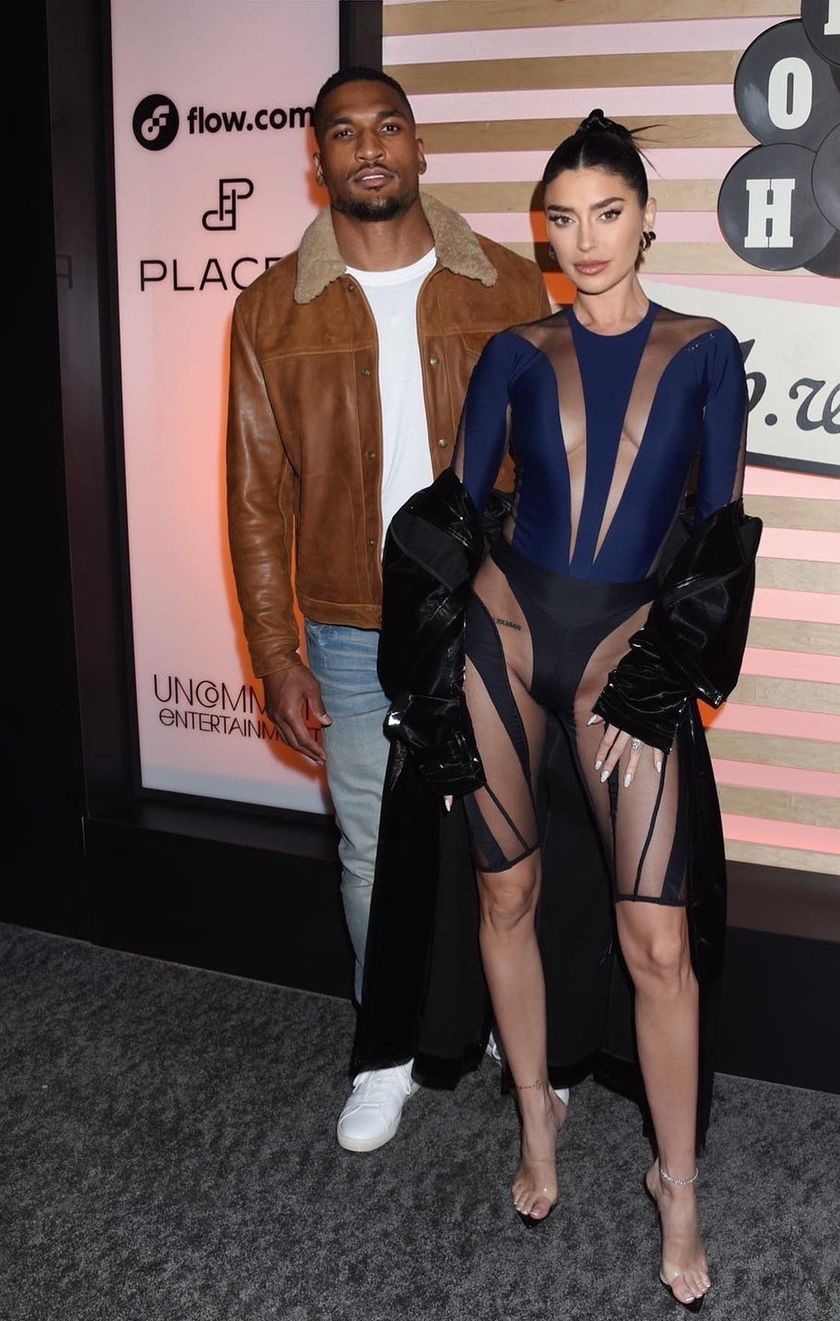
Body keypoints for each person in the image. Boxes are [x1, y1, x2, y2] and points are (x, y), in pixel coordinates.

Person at [363, 110, 759, 1310]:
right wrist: (432, 668)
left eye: (608, 213)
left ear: (647, 219)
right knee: (506, 896)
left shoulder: (704, 353)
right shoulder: (515, 353)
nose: (585, 239)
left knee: (659, 942)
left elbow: (717, 535)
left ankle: (676, 1184)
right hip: (505, 634)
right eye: (563, 219)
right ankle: (535, 1114)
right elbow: (455, 515)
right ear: (546, 231)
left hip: (624, 654)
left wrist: (673, 660)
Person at [225, 66, 550, 1154]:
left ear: (418, 147)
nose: (368, 147)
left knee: (502, 840)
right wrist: (275, 650)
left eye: (388, 127)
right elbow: (257, 497)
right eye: (343, 132)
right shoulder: (272, 310)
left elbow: (552, 465)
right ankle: (387, 1049)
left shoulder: (508, 286)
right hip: (349, 623)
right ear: (317, 158)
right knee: (371, 848)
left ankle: (508, 1027)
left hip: (488, 609)